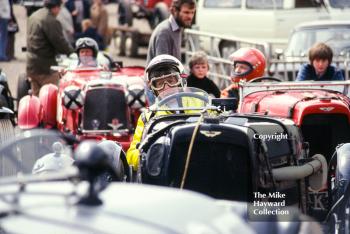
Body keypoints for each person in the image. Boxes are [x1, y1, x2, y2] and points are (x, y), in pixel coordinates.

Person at [126, 54, 191, 171]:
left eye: (171, 81)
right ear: (153, 88)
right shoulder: (148, 115)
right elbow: (131, 155)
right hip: (164, 168)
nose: (167, 87)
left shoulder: (202, 104)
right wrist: (149, 155)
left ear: (181, 81)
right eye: (160, 84)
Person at [145, 0, 196, 104]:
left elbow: (175, 65)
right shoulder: (164, 32)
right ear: (174, 11)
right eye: (186, 12)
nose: (190, 16)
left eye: (192, 12)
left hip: (170, 87)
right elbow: (162, 69)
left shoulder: (177, 28)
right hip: (160, 90)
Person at [26, 0, 74, 96]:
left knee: (37, 98)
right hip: (46, 68)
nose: (59, 11)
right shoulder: (50, 20)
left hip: (31, 64)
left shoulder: (34, 16)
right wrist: (72, 53)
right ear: (55, 7)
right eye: (59, 8)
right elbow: (59, 42)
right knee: (51, 97)